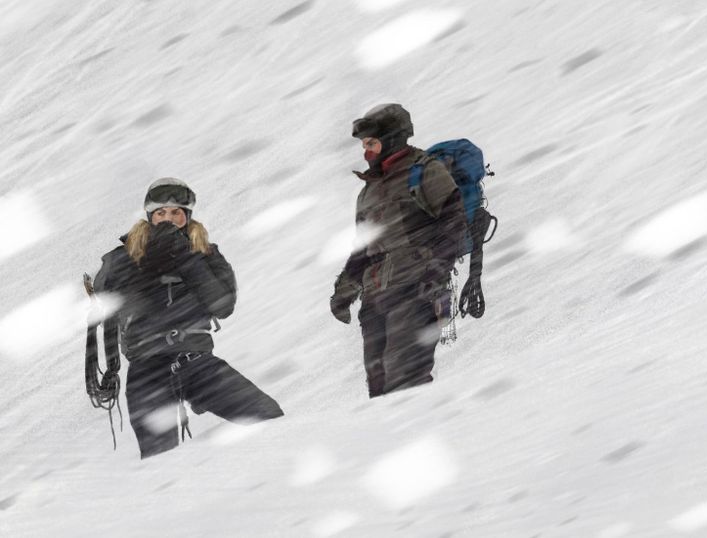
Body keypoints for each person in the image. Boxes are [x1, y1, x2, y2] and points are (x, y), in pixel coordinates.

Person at [91, 177, 283, 459]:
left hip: (197, 362)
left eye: (176, 213)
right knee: (160, 457)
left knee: (269, 417)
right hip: (147, 369)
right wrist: (142, 262)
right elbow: (102, 298)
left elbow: (223, 305)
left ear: (187, 217)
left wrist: (185, 258)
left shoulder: (205, 253)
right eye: (161, 213)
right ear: (150, 217)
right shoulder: (125, 256)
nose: (168, 219)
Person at [330, 104, 467, 398]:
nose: (366, 151)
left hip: (416, 289)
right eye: (364, 145)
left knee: (405, 384)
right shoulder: (367, 190)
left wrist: (435, 272)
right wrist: (344, 292)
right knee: (379, 388)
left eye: (371, 143)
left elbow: (455, 224)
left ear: (392, 138)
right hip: (375, 299)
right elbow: (362, 250)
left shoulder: (426, 171)